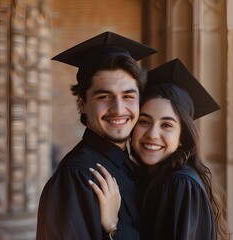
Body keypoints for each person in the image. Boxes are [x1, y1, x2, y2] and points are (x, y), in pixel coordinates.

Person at [90, 58, 229, 240]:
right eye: (145, 122)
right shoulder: (152, 178)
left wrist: (114, 226)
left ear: (182, 138)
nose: (153, 134)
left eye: (167, 125)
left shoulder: (180, 184)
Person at [36, 31, 157, 240]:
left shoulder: (130, 165)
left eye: (128, 96)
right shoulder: (78, 177)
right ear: (82, 104)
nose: (118, 109)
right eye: (104, 96)